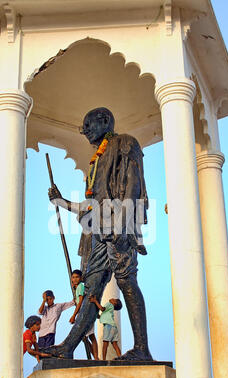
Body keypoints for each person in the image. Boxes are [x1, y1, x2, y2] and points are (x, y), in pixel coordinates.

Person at [46, 107, 153, 361]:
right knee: (91, 288)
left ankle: (141, 349)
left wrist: (124, 224)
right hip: (99, 231)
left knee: (127, 281)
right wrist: (60, 201)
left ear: (105, 121)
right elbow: (90, 204)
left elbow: (133, 183)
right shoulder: (96, 160)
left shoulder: (125, 144)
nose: (85, 131)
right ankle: (68, 346)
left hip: (119, 227)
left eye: (89, 124)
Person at [70, 269, 99, 360]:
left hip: (84, 313)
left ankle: (96, 357)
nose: (75, 279)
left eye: (77, 277)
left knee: (90, 336)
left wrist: (74, 315)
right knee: (84, 337)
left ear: (81, 278)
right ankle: (95, 356)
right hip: (83, 313)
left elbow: (80, 302)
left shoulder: (80, 286)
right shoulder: (78, 287)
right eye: (73, 277)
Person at [89, 295, 122, 360]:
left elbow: (102, 309)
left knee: (105, 343)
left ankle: (103, 359)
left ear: (114, 303)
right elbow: (103, 315)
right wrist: (97, 315)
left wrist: (95, 301)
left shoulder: (109, 304)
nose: (112, 298)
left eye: (114, 299)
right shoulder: (110, 309)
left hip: (108, 326)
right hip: (114, 327)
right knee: (115, 344)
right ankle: (121, 357)